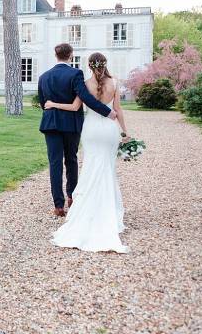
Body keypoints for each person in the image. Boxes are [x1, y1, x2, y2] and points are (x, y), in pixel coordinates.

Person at [43, 52, 131, 254]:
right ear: (105, 64)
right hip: (109, 130)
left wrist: (53, 104)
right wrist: (125, 131)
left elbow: (74, 107)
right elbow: (117, 110)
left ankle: (86, 208)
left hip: (90, 130)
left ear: (90, 66)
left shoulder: (84, 84)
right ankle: (107, 209)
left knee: (91, 167)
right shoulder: (115, 83)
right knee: (107, 169)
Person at [38, 43, 117, 219]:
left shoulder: (43, 76)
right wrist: (107, 112)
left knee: (55, 163)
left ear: (55, 55)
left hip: (50, 124)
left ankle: (58, 205)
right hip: (71, 125)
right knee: (71, 160)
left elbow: (43, 102)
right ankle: (71, 197)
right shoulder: (75, 74)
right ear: (71, 56)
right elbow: (86, 98)